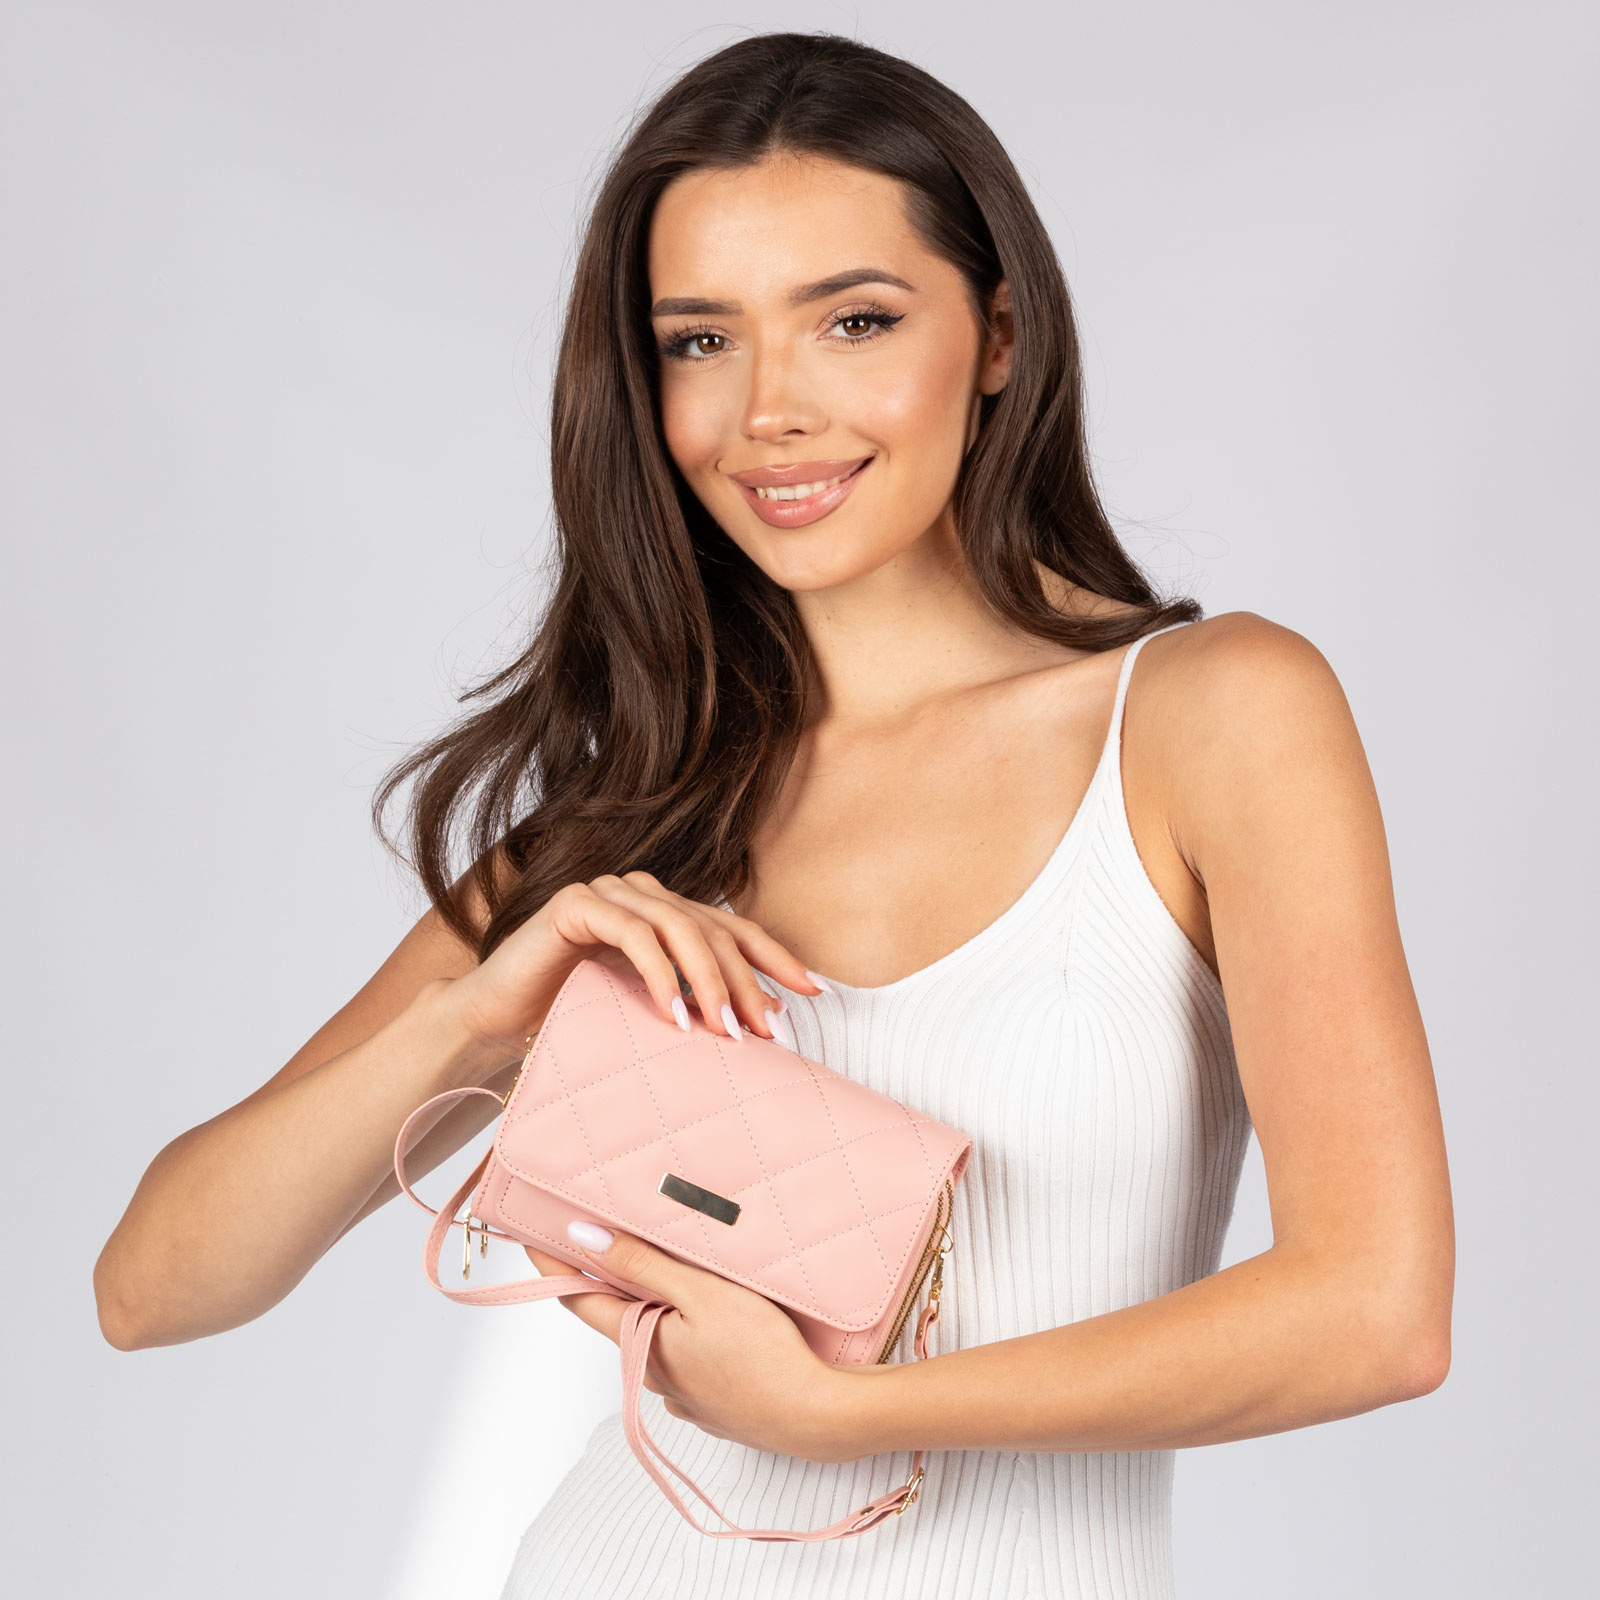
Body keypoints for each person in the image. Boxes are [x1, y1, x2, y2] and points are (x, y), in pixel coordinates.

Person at [93, 30, 1454, 1600]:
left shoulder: (1214, 716)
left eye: (854, 320)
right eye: (700, 340)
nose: (769, 412)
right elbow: (153, 1288)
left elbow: (1377, 1311)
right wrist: (470, 1025)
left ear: (999, 333)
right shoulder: (637, 813)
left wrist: (842, 1414)